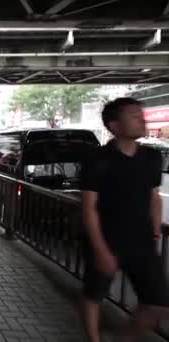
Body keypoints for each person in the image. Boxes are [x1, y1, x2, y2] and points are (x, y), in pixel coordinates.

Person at [79, 97, 169, 342]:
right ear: (115, 125)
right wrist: (100, 249)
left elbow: (154, 197)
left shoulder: (151, 157)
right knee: (94, 295)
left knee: (158, 305)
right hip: (106, 239)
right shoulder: (98, 159)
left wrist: (155, 233)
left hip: (141, 243)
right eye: (133, 114)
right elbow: (88, 207)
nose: (142, 118)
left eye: (141, 113)